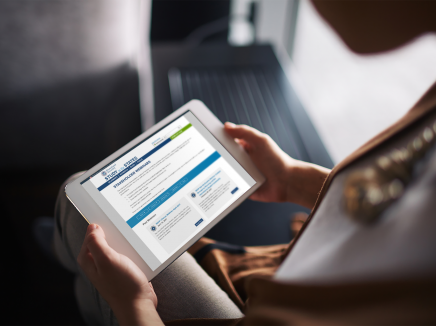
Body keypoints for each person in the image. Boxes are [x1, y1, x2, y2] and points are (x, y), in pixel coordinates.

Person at [54, 1, 436, 325]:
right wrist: (295, 181)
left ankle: (69, 262)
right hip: (297, 269)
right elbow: (397, 199)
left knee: (81, 213)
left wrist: (134, 305)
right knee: (102, 243)